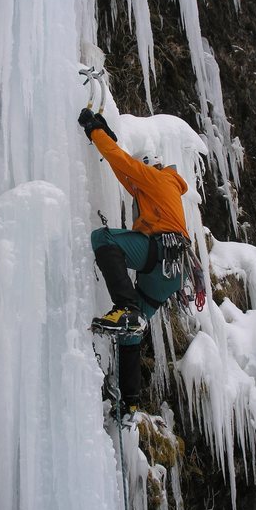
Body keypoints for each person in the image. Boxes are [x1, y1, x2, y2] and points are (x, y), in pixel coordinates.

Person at [78, 107, 191, 412]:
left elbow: (123, 163)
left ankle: (126, 307)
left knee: (103, 239)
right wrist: (110, 138)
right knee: (132, 332)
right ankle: (131, 402)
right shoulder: (158, 188)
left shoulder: (158, 179)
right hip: (172, 274)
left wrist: (95, 131)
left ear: (151, 166)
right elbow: (126, 173)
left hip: (159, 253)